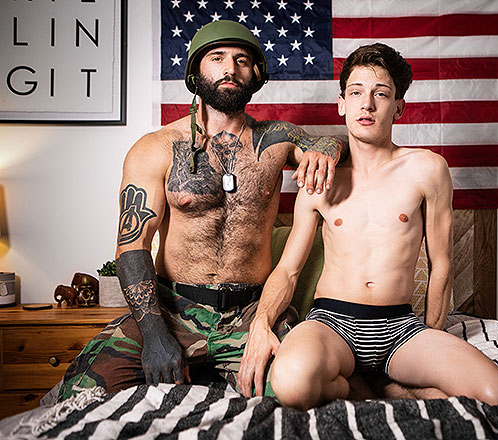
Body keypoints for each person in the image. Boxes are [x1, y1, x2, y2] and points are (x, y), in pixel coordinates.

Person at [57, 20, 347, 401]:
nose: (230, 69)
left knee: (296, 389)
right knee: (81, 390)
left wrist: (328, 148)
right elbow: (132, 248)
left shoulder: (277, 140)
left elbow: (333, 143)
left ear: (256, 73)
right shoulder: (156, 147)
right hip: (171, 309)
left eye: (242, 60)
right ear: (196, 71)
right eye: (217, 58)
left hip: (252, 311)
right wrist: (155, 335)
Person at [238, 43, 498, 410]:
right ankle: (359, 387)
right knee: (291, 385)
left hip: (399, 327)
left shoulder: (427, 169)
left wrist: (430, 337)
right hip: (331, 323)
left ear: (398, 107)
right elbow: (288, 271)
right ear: (342, 104)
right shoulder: (319, 178)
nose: (367, 105)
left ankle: (380, 384)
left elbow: (442, 264)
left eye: (380, 94)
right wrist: (261, 324)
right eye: (356, 93)